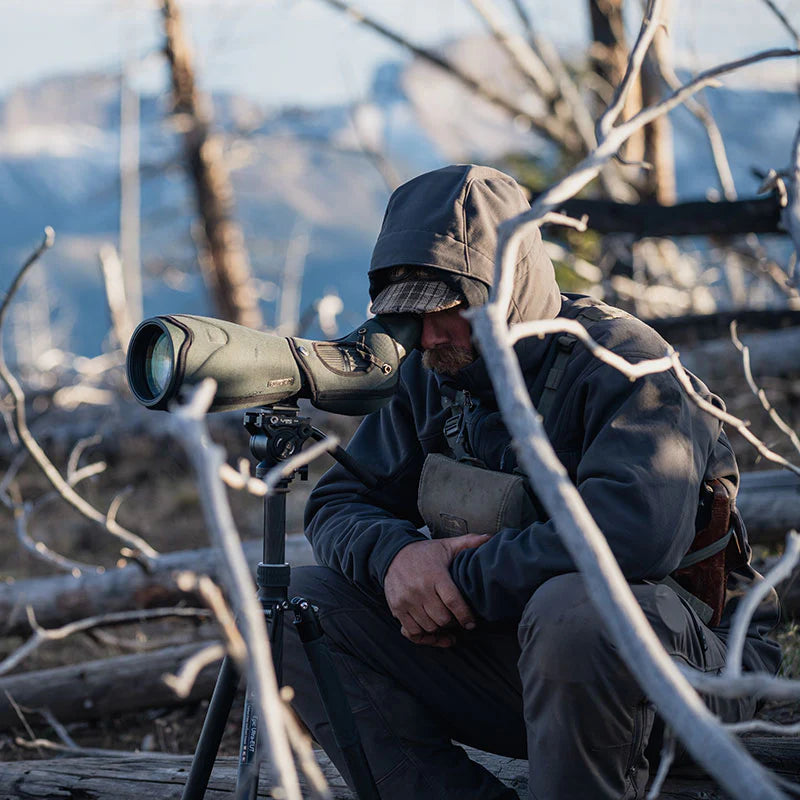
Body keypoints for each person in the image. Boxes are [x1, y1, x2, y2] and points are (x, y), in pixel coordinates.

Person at [283, 164, 781, 799]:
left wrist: (452, 581)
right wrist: (398, 559)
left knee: (573, 607)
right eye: (411, 317)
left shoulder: (623, 364)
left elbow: (633, 536)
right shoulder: (433, 371)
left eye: (448, 311)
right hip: (527, 670)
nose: (429, 335)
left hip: (693, 676)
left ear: (506, 289)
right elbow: (336, 502)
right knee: (293, 608)